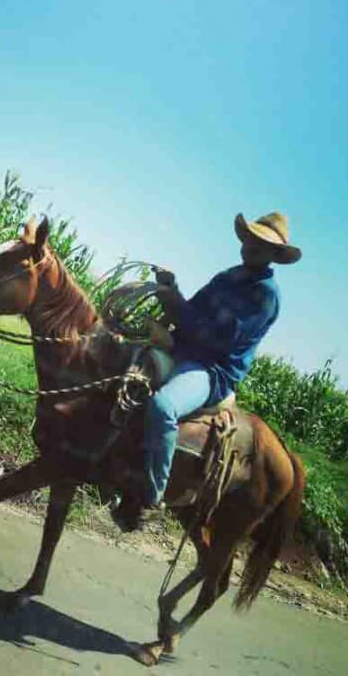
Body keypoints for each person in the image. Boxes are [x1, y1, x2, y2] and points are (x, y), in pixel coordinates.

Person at [140, 211, 302, 522]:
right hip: (184, 350)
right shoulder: (227, 277)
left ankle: (152, 497)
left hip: (211, 371)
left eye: (261, 243)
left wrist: (174, 326)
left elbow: (220, 338)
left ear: (273, 254)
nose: (251, 246)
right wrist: (171, 292)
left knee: (163, 407)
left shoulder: (265, 296)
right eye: (251, 239)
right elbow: (192, 310)